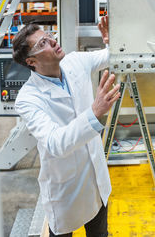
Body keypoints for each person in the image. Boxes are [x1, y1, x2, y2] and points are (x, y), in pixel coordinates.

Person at [12, 16, 120, 237]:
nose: (52, 41)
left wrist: (112, 42)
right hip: (65, 190)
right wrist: (95, 112)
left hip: (96, 180)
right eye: (42, 43)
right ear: (31, 62)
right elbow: (55, 143)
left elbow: (111, 57)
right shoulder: (28, 98)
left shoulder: (74, 62)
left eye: (49, 36)